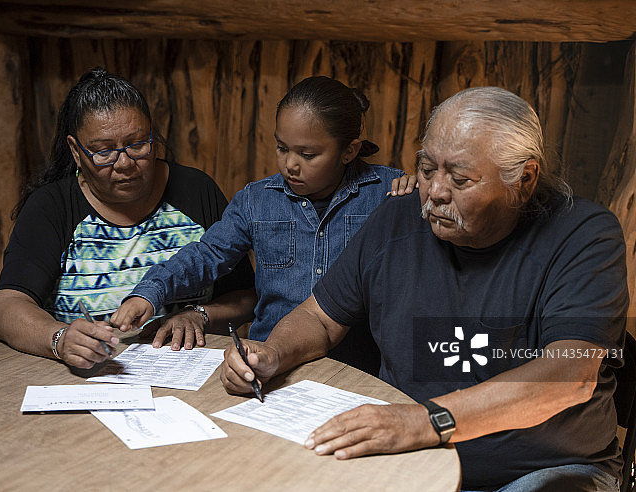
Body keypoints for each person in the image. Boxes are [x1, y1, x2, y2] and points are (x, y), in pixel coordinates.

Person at [220, 86, 628, 491]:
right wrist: (273, 353)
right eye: (428, 168)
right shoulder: (397, 217)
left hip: (539, 470)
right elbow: (318, 318)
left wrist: (425, 421)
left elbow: (569, 375)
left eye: (460, 178)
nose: (434, 192)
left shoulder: (583, 236)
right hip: (411, 460)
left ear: (524, 179)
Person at [110, 75, 416, 374]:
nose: (290, 165)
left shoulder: (388, 193)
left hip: (357, 368)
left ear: (349, 151)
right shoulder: (257, 200)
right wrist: (150, 292)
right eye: (282, 148)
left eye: (308, 154)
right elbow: (206, 255)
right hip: (268, 362)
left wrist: (420, 191)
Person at [0, 68, 255, 369]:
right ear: (76, 152)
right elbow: (5, 308)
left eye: (138, 144)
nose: (125, 163)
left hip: (187, 375)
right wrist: (60, 338)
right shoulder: (52, 207)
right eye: (104, 152)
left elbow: (246, 297)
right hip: (86, 379)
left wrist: (199, 314)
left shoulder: (195, 190)